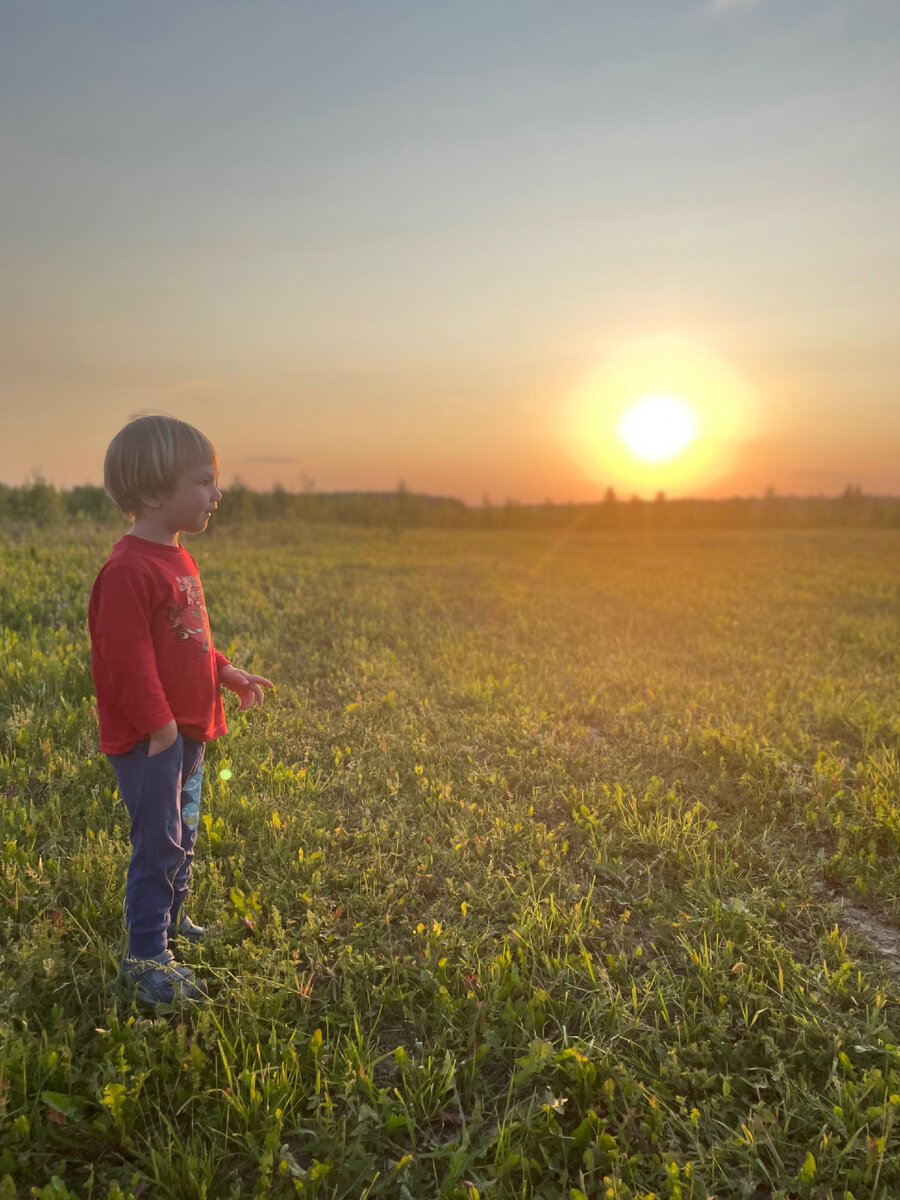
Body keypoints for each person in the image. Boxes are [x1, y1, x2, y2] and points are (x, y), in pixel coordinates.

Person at [89, 415, 273, 1004]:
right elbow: (126, 661)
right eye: (203, 481)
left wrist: (223, 669)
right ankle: (145, 957)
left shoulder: (177, 557)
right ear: (152, 494)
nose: (217, 494)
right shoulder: (127, 570)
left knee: (184, 833)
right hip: (153, 742)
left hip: (185, 734)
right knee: (159, 842)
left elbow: (186, 636)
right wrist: (161, 729)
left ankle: (171, 922)